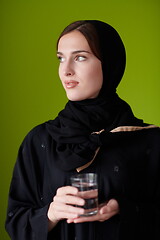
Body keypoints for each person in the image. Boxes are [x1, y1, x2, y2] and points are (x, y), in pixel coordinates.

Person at [5, 20, 160, 240]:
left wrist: (124, 209)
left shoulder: (149, 140)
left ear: (109, 63)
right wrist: (50, 214)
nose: (66, 70)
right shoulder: (39, 140)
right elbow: (15, 222)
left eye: (79, 57)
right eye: (60, 58)